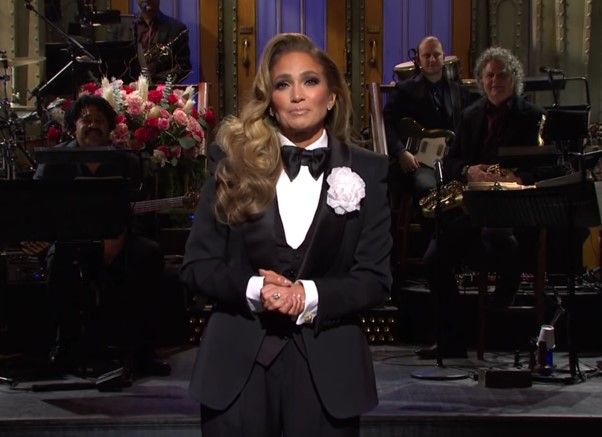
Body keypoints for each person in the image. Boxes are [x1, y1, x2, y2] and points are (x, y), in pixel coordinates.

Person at [180, 33, 392, 436]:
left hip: (329, 371)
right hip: (236, 368)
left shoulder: (369, 171)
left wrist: (306, 295)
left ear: (332, 96)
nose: (297, 95)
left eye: (310, 81)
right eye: (283, 84)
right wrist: (255, 289)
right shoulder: (230, 163)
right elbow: (197, 266)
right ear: (270, 100)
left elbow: (374, 279)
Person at [416, 47, 546, 360]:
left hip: (516, 212)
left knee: (501, 241)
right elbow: (452, 161)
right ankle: (451, 341)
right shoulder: (470, 115)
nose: (494, 81)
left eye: (502, 75)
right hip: (474, 208)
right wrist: (468, 170)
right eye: (489, 75)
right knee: (434, 258)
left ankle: (503, 299)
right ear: (481, 80)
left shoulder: (533, 117)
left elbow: (548, 168)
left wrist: (516, 175)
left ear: (514, 78)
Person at [29, 95, 169, 376]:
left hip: (117, 238)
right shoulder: (55, 160)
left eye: (99, 120)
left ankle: (143, 351)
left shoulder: (126, 160)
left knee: (149, 253)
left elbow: (135, 208)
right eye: (86, 120)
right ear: (73, 126)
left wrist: (117, 238)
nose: (93, 125)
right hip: (69, 240)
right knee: (59, 261)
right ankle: (64, 344)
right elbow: (38, 205)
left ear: (109, 127)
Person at [383, 36, 465, 199]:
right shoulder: (404, 90)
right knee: (428, 188)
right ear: (419, 60)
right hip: (418, 162)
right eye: (426, 55)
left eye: (436, 55)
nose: (432, 59)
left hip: (450, 160)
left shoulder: (458, 91)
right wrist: (401, 152)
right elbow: (387, 123)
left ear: (443, 58)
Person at [131, 0, 193, 84]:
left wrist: (159, 85)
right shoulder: (128, 26)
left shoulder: (177, 28)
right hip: (130, 89)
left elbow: (183, 67)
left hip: (163, 90)